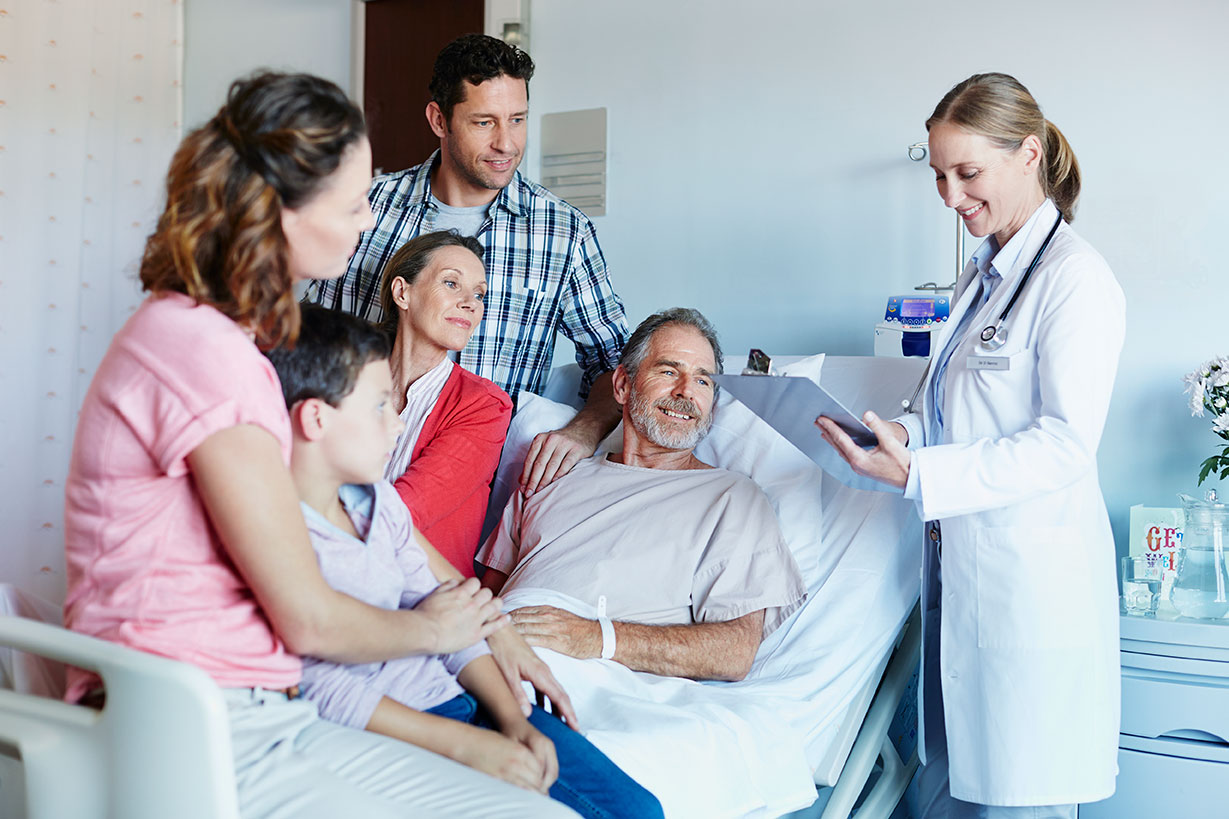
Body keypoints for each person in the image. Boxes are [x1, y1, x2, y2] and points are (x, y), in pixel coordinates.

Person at [62, 70, 576, 818]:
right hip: (195, 719)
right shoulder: (201, 351)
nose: (369, 221)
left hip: (255, 704)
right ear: (281, 214)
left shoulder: (215, 337)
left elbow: (377, 531)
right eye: (354, 202)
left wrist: (481, 637)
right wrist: (438, 627)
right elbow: (307, 615)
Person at [817, 73, 1123, 818]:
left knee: (1016, 798)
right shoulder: (981, 276)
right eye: (938, 177)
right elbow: (956, 417)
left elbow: (1063, 444)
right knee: (952, 791)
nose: (950, 197)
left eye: (966, 173)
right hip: (958, 586)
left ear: (1026, 154)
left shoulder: (1074, 280)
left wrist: (920, 468)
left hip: (1029, 598)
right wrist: (894, 439)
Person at [265, 304, 663, 819]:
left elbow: (453, 614)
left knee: (640, 809)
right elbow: (318, 683)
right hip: (399, 727)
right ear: (317, 418)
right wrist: (468, 744)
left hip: (461, 695)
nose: (400, 422)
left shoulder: (377, 503)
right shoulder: (281, 537)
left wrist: (513, 719)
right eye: (381, 406)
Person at [303, 33, 627, 496]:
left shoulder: (563, 233)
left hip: (478, 483)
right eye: (483, 122)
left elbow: (614, 360)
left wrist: (582, 430)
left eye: (518, 120)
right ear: (439, 119)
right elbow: (310, 333)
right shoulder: (369, 210)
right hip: (350, 465)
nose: (506, 143)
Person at [479, 309, 806, 681]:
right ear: (622, 385)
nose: (685, 391)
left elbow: (733, 652)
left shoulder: (732, 499)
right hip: (485, 667)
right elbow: (487, 599)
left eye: (703, 382)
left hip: (590, 681)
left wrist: (596, 637)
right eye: (668, 372)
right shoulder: (554, 473)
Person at [375, 231, 512, 577]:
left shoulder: (484, 407)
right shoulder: (345, 381)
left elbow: (402, 515)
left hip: (422, 599)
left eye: (479, 294)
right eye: (452, 284)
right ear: (402, 292)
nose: (471, 302)